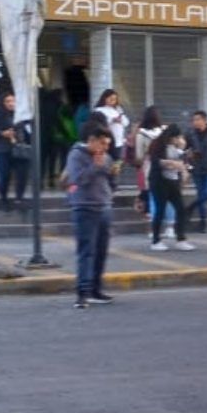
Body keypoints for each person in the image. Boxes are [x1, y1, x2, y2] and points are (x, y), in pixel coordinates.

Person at [65, 125, 120, 307]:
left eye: (108, 144)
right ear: (92, 140)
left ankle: (96, 289)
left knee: (101, 252)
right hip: (84, 207)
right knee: (86, 252)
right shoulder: (76, 155)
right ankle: (82, 293)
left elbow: (111, 182)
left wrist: (112, 176)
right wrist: (94, 167)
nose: (105, 148)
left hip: (104, 206)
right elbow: (77, 180)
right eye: (102, 143)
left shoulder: (107, 157)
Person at [145, 125, 194, 252]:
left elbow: (183, 162)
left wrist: (182, 151)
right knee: (160, 210)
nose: (177, 140)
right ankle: (156, 240)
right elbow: (156, 162)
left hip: (173, 182)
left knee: (181, 209)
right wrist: (171, 163)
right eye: (176, 137)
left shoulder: (177, 147)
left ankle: (181, 239)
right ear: (170, 136)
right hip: (159, 182)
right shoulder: (157, 144)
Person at [185, 110, 207, 234]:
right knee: (201, 195)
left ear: (205, 120)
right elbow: (183, 149)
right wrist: (188, 157)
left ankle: (191, 206)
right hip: (197, 169)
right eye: (193, 120)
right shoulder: (190, 134)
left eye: (197, 119)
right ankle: (203, 223)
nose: (195, 122)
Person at [93, 89, 128, 156]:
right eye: (110, 98)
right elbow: (98, 123)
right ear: (105, 98)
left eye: (114, 99)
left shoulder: (117, 109)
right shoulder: (99, 110)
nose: (112, 101)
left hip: (119, 142)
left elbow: (126, 123)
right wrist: (112, 120)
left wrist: (121, 118)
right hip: (106, 142)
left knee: (117, 164)